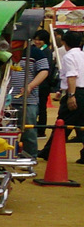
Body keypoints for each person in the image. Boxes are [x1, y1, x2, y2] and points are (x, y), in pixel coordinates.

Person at [49, 29, 84, 163]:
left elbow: (72, 76)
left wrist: (71, 95)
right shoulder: (82, 55)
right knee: (81, 123)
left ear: (64, 42)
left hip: (76, 91)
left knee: (62, 121)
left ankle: (50, 151)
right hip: (81, 91)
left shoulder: (69, 56)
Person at [22, 30, 52, 158]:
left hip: (29, 99)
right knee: (5, 131)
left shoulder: (36, 53)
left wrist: (30, 86)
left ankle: (30, 157)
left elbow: (44, 71)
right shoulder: (7, 52)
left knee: (29, 131)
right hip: (8, 99)